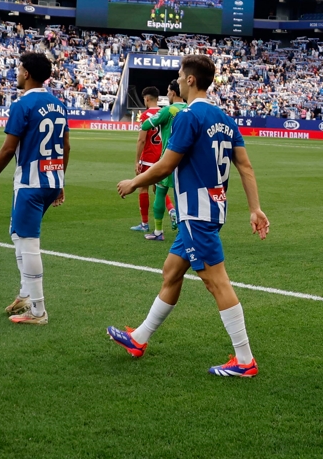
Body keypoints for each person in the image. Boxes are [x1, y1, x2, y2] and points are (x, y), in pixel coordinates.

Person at [106, 55, 269, 377]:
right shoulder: (225, 118)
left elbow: (166, 166)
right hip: (212, 207)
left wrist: (134, 182)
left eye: (181, 75)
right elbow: (245, 166)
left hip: (196, 212)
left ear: (191, 80)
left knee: (215, 281)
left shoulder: (189, 116)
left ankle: (245, 360)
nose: (178, 80)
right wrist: (255, 208)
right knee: (171, 272)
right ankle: (139, 338)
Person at [0, 54, 69, 326]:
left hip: (30, 183)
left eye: (20, 69)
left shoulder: (22, 104)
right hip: (51, 180)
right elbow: (66, 146)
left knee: (29, 242)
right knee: (18, 234)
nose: (17, 73)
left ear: (28, 74)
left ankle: (38, 310)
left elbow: (9, 148)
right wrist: (60, 181)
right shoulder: (59, 105)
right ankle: (24, 294)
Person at [141, 81, 188, 241]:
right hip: (186, 160)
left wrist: (157, 118)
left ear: (173, 92)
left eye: (168, 91)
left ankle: (158, 231)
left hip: (168, 157)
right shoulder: (190, 109)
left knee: (160, 192)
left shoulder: (168, 110)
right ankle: (184, 231)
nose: (167, 94)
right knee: (183, 196)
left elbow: (146, 125)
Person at [130, 86, 163, 234]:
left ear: (147, 98)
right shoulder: (165, 113)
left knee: (143, 187)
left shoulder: (145, 115)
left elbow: (141, 140)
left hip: (149, 157)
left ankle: (144, 223)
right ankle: (172, 211)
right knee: (160, 189)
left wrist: (137, 160)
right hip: (162, 157)